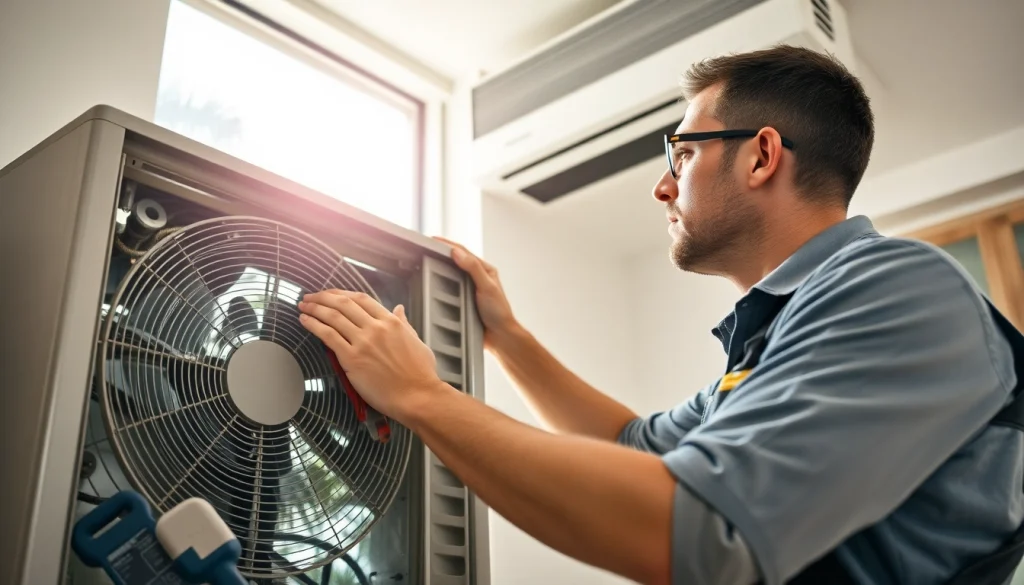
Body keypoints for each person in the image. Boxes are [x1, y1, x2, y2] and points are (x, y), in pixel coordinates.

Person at [296, 45, 1024, 585]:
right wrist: (506, 337)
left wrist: (422, 397)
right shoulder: (780, 334)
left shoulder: (897, 286)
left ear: (761, 156)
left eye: (680, 154)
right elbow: (633, 446)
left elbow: (702, 533)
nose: (662, 187)